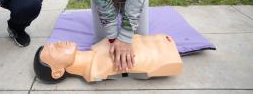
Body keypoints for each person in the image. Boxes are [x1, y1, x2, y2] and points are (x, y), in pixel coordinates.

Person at [34, 34, 183, 83]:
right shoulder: (99, 69)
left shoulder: (97, 47)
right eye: (53, 50)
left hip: (162, 41)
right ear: (57, 72)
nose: (58, 43)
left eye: (52, 44)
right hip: (167, 58)